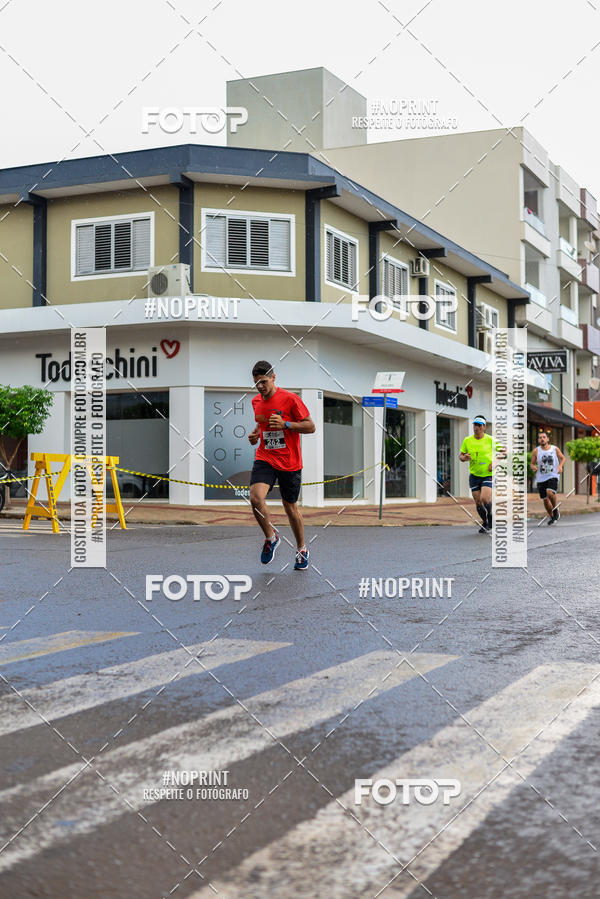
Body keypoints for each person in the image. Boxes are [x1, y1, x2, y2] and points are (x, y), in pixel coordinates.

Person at [248, 361, 316, 570]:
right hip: (265, 457)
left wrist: (287, 424)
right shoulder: (255, 402)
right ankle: (271, 537)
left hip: (289, 462)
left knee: (290, 507)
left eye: (264, 381)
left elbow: (310, 426)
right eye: (256, 383)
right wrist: (256, 434)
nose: (260, 386)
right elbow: (262, 423)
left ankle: (302, 549)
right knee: (255, 497)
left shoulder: (291, 399)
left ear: (274, 377)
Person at [459, 415, 504, 533]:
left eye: (479, 425)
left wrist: (495, 462)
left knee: (485, 498)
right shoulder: (467, 440)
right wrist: (464, 457)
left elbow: (503, 452)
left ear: (484, 427)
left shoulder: (491, 440)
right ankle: (485, 522)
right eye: (475, 425)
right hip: (474, 475)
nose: (476, 427)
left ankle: (490, 515)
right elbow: (461, 456)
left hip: (487, 474)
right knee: (478, 501)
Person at [530, 429, 564, 525]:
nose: (542, 439)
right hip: (541, 477)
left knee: (549, 492)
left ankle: (555, 509)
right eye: (540, 438)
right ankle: (552, 517)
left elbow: (563, 458)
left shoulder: (554, 449)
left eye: (544, 437)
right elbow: (532, 464)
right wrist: (533, 467)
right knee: (545, 500)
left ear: (548, 439)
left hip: (553, 475)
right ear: (538, 440)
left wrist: (560, 466)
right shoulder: (536, 451)